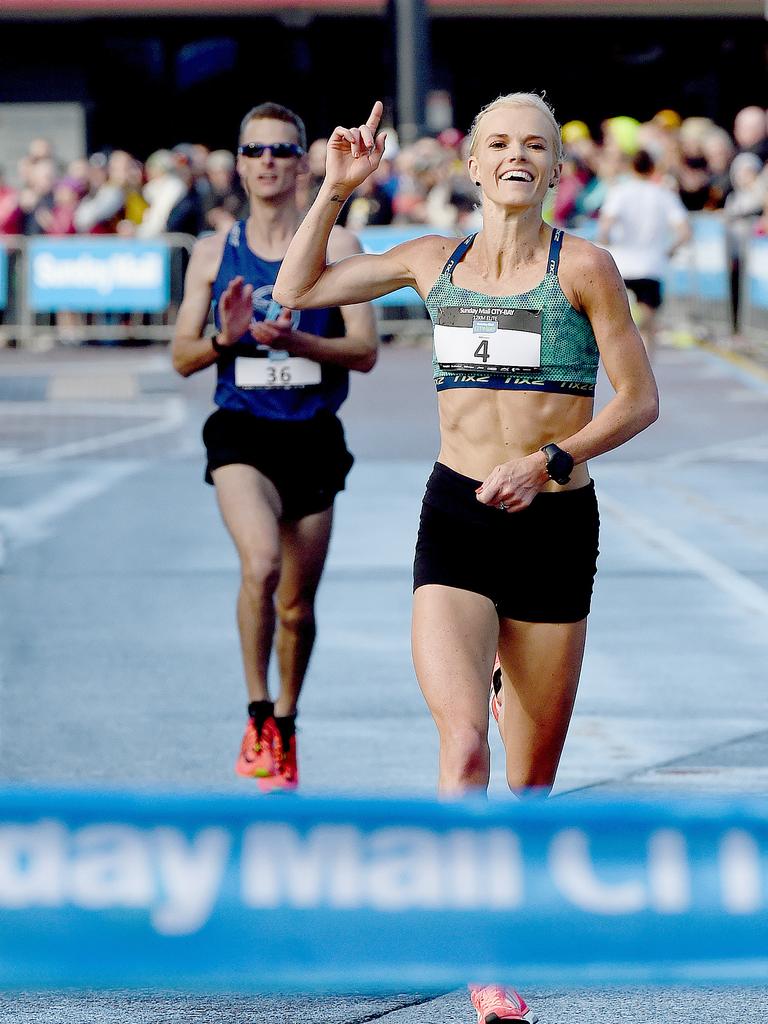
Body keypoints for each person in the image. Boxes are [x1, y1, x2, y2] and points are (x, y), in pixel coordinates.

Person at [274, 94, 659, 1023]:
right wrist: (331, 192)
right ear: (475, 168)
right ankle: (479, 954)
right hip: (458, 521)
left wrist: (549, 460)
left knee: (527, 789)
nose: (516, 155)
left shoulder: (587, 270)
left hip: (556, 526)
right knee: (465, 744)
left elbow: (639, 400)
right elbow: (298, 291)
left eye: (536, 144)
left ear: (557, 170)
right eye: (499, 143)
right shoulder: (430, 262)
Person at [171, 102, 378, 791]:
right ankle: (257, 710)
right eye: (254, 150)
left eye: (281, 150)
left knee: (296, 605)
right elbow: (181, 357)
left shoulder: (339, 247)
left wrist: (297, 341)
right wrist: (228, 338)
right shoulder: (212, 251)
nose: (267, 161)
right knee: (260, 565)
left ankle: (287, 719)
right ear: (238, 162)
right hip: (242, 430)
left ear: (302, 163)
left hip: (314, 434)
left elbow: (365, 351)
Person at [598, 149, 691, 357]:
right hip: (652, 265)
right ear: (652, 168)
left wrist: (607, 242)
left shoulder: (619, 192)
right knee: (649, 326)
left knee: (620, 323)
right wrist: (669, 251)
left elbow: (605, 227)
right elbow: (685, 231)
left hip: (622, 264)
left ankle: (622, 365)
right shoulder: (663, 194)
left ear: (631, 167)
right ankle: (646, 371)